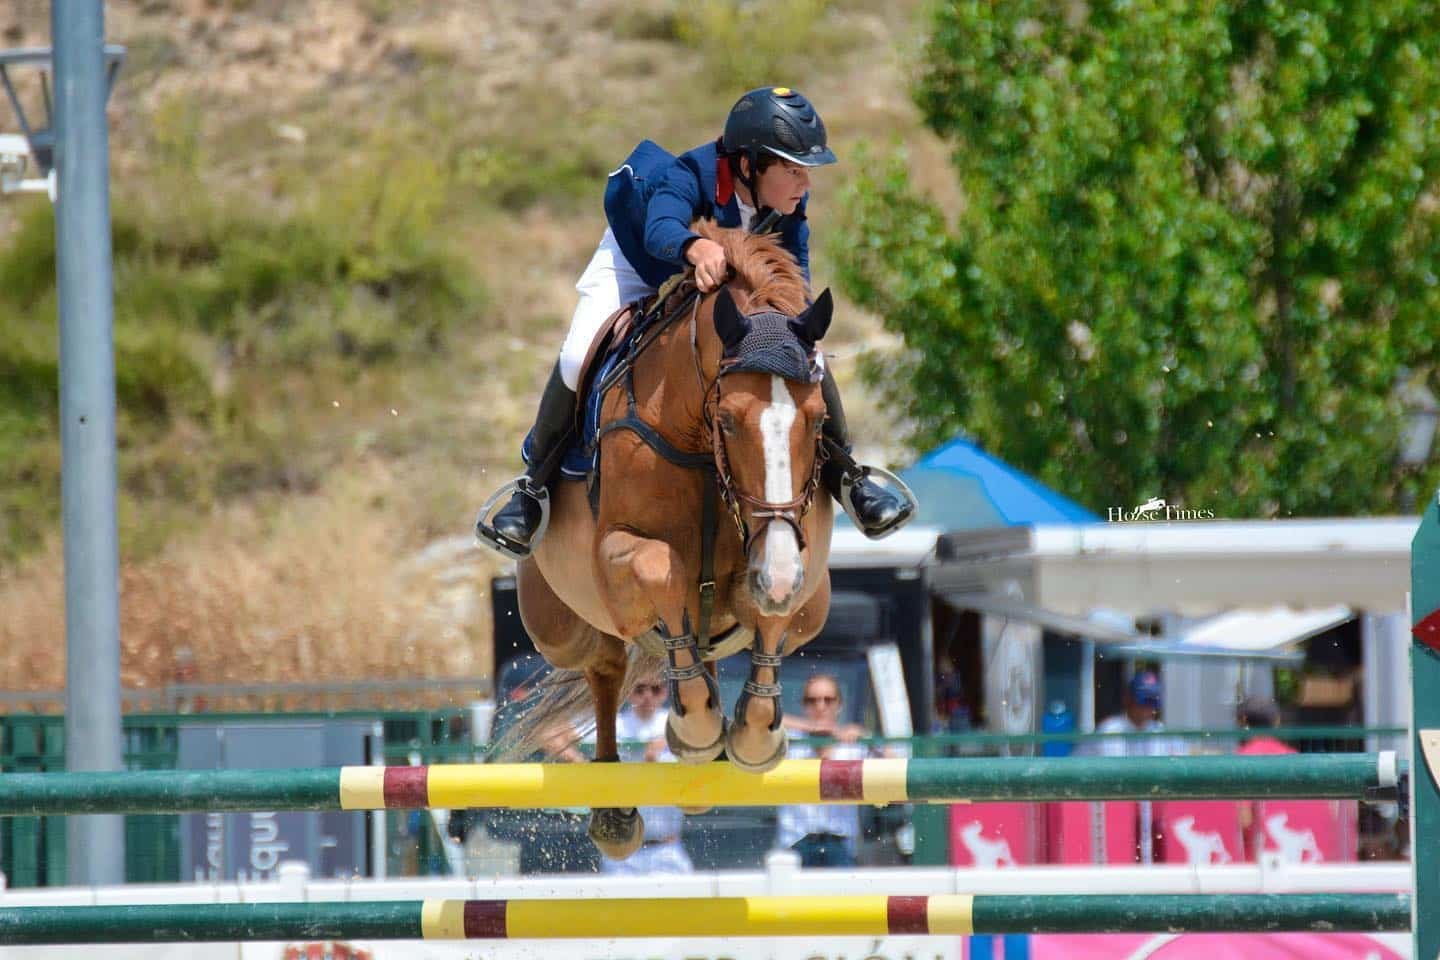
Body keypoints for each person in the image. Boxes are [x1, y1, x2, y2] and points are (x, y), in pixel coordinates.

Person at [481, 86, 912, 554]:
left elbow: (793, 285)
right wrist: (695, 247)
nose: (805, 185)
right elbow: (660, 229)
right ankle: (533, 489)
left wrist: (794, 332)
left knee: (808, 357)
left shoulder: (788, 208)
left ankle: (848, 476)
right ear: (749, 164)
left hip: (717, 288)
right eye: (793, 170)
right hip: (641, 262)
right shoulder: (691, 173)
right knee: (575, 355)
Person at [596, 679, 694, 875]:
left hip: (667, 848)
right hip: (621, 850)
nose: (647, 696)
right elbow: (551, 734)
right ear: (627, 692)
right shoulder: (613, 726)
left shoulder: (678, 725)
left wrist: (667, 738)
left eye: (655, 689)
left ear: (666, 692)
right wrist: (580, 762)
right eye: (639, 689)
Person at [775, 673, 870, 867]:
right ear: (804, 705)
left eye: (828, 700)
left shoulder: (852, 746)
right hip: (796, 845)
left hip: (840, 845)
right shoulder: (789, 743)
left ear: (839, 704)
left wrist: (865, 735)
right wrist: (815, 728)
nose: (820, 706)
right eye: (813, 700)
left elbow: (897, 759)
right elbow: (765, 719)